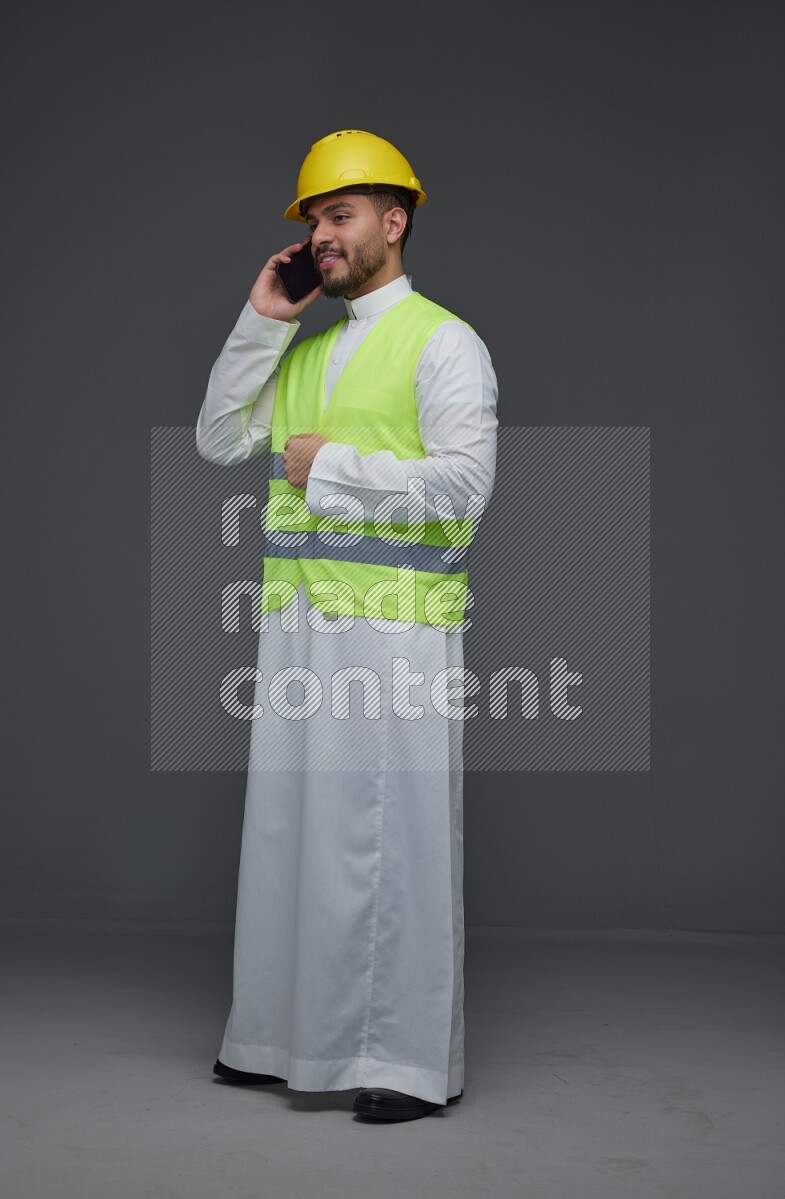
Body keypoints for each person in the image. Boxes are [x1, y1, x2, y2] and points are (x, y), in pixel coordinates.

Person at [196, 129, 498, 1122]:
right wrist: (261, 319)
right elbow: (217, 438)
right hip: (299, 628)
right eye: (312, 221)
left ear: (393, 222)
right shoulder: (307, 349)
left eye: (341, 215)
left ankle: (406, 1062)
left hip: (395, 636)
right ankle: (273, 1038)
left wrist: (328, 465)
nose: (322, 235)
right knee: (291, 837)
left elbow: (466, 484)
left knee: (389, 844)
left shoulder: (443, 342)